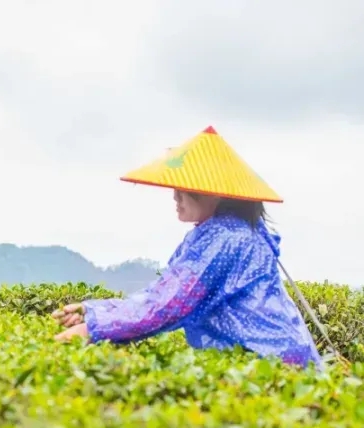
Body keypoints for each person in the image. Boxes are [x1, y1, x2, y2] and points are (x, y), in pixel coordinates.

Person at [52, 125, 321, 369]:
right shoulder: (228, 232)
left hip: (271, 363)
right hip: (277, 360)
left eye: (184, 189)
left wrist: (94, 329)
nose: (175, 196)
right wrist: (93, 311)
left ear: (214, 192)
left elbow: (171, 303)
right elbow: (163, 293)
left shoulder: (225, 237)